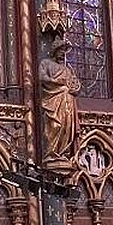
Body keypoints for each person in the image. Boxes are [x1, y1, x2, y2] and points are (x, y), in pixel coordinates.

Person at [39, 34, 80, 172]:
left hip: (67, 101)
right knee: (54, 125)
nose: (63, 54)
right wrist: (57, 82)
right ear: (55, 51)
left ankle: (62, 153)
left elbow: (74, 84)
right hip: (53, 99)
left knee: (67, 127)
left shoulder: (68, 69)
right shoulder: (45, 63)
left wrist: (74, 88)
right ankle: (51, 154)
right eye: (61, 51)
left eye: (64, 51)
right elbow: (42, 77)